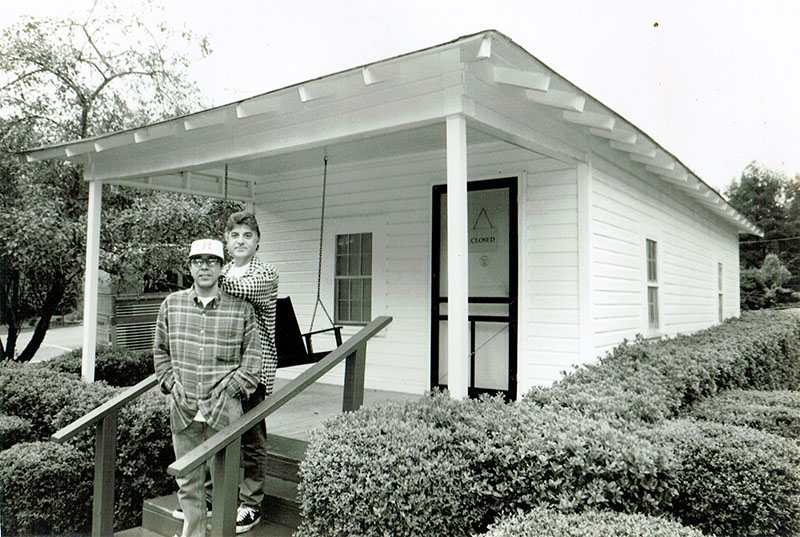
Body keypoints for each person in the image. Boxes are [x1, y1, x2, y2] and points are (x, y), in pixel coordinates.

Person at [154, 239, 262, 537]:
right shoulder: (171, 305)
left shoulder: (241, 310)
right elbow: (160, 352)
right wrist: (170, 383)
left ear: (220, 268)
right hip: (184, 408)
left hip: (224, 413)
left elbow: (252, 362)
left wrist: (229, 392)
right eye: (198, 260)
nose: (204, 266)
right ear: (189, 267)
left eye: (211, 261)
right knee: (188, 484)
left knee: (226, 485)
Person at [219, 211, 279, 534]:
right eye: (235, 236)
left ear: (257, 242)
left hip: (255, 367)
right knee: (218, 433)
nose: (241, 241)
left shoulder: (265, 274)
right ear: (226, 243)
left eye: (248, 236)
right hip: (224, 368)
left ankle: (251, 505)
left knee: (252, 438)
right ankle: (218, 497)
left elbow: (242, 290)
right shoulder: (223, 270)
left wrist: (206, 274)